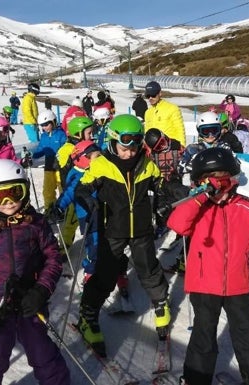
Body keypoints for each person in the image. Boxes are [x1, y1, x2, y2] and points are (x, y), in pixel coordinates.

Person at [167, 147, 249, 385]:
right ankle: (196, 379)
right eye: (211, 183)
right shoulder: (197, 209)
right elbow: (177, 224)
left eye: (223, 182)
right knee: (204, 336)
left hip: (238, 285)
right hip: (204, 285)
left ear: (233, 181)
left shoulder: (246, 209)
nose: (219, 189)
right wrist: (200, 197)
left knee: (248, 335)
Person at [0, 159, 70, 385]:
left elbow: (53, 258)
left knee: (43, 353)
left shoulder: (36, 223)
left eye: (15, 193)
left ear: (26, 190)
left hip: (30, 302)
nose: (9, 202)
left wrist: (40, 291)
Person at [74, 114, 170, 357]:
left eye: (134, 147)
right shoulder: (101, 165)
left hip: (141, 229)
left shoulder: (147, 164)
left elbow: (160, 186)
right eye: (124, 148)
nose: (129, 153)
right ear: (112, 142)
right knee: (105, 272)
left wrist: (165, 200)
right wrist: (87, 199)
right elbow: (82, 187)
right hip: (112, 230)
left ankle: (160, 304)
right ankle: (88, 315)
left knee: (148, 267)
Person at [48, 140, 101, 284]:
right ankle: (90, 271)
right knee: (94, 243)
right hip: (87, 215)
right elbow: (69, 192)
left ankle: (109, 267)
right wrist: (59, 206)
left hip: (104, 212)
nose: (100, 160)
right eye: (96, 157)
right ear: (83, 158)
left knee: (107, 241)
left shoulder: (100, 169)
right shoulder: (78, 175)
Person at [143, 127, 188, 239]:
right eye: (158, 147)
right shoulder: (151, 154)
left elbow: (187, 160)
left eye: (163, 142)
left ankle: (181, 224)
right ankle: (162, 224)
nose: (163, 147)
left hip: (175, 179)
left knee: (179, 200)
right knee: (159, 203)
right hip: (161, 181)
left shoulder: (177, 147)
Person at [32, 110, 66, 211]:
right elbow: (41, 150)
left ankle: (62, 209)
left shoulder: (61, 135)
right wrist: (31, 156)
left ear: (53, 121)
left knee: (62, 188)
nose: (44, 127)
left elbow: (66, 148)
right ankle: (49, 209)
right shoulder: (44, 136)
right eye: (42, 125)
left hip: (60, 166)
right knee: (47, 190)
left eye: (46, 124)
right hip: (49, 166)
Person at [143, 81, 186, 146]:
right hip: (153, 150)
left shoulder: (172, 108)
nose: (150, 98)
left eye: (153, 95)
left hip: (170, 148)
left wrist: (182, 147)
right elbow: (147, 132)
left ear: (160, 93)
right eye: (148, 96)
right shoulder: (148, 112)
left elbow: (180, 130)